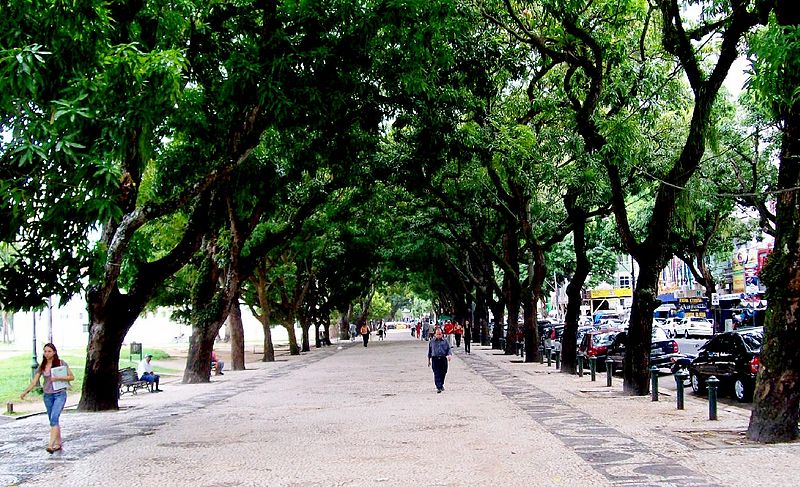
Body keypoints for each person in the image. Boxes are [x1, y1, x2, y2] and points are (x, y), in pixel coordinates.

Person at [20, 343, 74, 453]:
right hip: (48, 395)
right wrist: (26, 392)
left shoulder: (60, 363)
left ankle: (50, 445)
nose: (47, 353)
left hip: (59, 394)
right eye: (45, 351)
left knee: (54, 418)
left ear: (54, 352)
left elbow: (71, 377)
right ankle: (58, 443)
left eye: (49, 351)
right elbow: (35, 381)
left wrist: (59, 378)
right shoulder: (42, 366)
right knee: (53, 419)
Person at [427, 327, 452, 393]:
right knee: (437, 373)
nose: (439, 335)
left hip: (443, 358)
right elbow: (429, 351)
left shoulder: (445, 341)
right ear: (435, 334)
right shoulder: (432, 341)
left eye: (440, 334)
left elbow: (448, 349)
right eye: (437, 334)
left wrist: (449, 355)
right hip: (435, 359)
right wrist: (429, 360)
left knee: (444, 372)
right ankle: (438, 386)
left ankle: (441, 384)